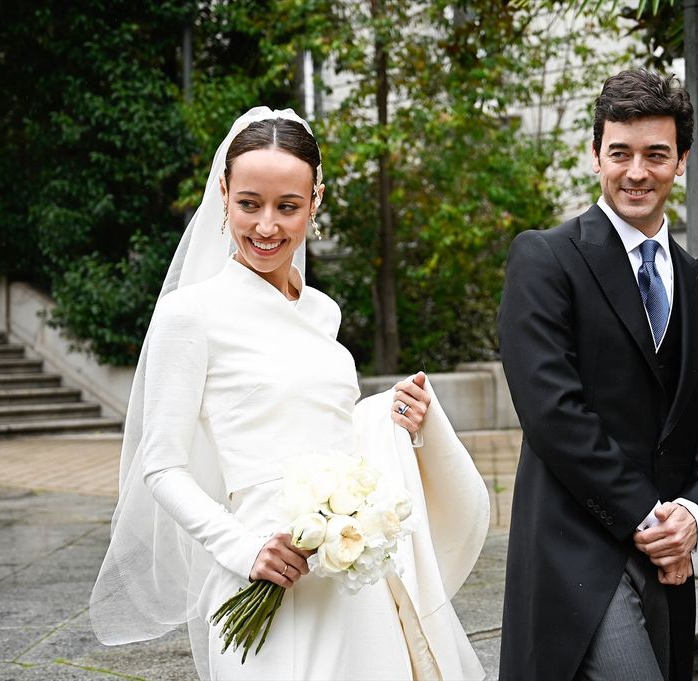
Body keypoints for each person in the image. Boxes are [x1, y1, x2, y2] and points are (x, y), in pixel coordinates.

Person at [90, 107, 489, 681]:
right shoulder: (190, 315)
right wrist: (243, 549)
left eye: (288, 206)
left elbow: (324, 424)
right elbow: (162, 464)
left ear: (315, 201)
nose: (267, 226)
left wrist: (392, 414)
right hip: (262, 566)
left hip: (349, 570)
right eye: (250, 204)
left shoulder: (322, 311)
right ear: (223, 194)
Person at [496, 69, 698, 681]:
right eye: (621, 153)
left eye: (656, 154)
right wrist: (650, 518)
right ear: (595, 155)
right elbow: (554, 414)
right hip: (574, 548)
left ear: (681, 161)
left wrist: (693, 515)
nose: (637, 172)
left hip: (667, 557)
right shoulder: (545, 258)